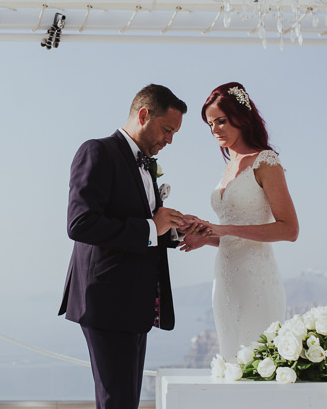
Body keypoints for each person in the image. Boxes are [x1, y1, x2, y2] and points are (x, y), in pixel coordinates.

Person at [59, 84, 190, 409]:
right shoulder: (97, 151)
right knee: (116, 401)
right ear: (144, 115)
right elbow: (80, 224)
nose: (170, 140)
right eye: (167, 129)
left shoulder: (144, 164)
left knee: (125, 401)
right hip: (106, 302)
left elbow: (142, 224)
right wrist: (151, 227)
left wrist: (174, 231)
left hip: (134, 304)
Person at [180, 82, 299, 362]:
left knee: (257, 363)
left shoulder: (266, 162)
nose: (215, 130)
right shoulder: (228, 168)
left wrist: (223, 228)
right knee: (232, 360)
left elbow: (289, 229)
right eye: (210, 124)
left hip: (256, 279)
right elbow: (232, 233)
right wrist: (205, 236)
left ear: (241, 118)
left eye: (221, 121)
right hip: (224, 279)